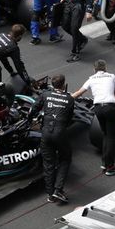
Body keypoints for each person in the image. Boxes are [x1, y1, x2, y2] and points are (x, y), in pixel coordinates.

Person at [72, 60, 115, 176]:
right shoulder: (112, 76)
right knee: (111, 137)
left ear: (94, 69)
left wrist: (65, 99)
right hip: (110, 107)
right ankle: (110, 167)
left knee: (105, 134)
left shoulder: (91, 79)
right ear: (105, 68)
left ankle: (105, 162)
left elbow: (79, 93)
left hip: (98, 109)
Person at [32, 74, 74, 203]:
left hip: (45, 132)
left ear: (53, 84)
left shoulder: (45, 95)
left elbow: (34, 109)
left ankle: (50, 195)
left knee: (48, 164)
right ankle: (58, 190)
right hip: (60, 133)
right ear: (63, 84)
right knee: (65, 158)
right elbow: (69, 118)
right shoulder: (69, 99)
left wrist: (32, 120)